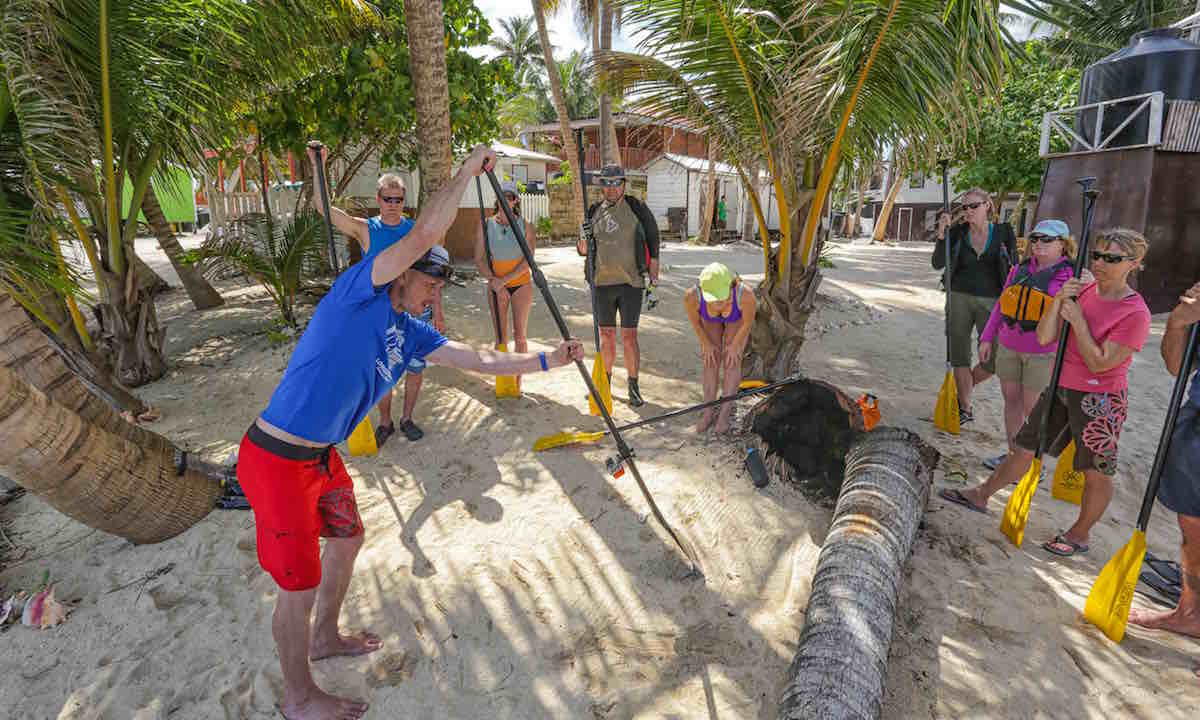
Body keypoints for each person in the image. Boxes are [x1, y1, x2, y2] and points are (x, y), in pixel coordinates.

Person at [237, 143, 584, 720]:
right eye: (429, 283)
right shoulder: (358, 293)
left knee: (347, 539)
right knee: (295, 585)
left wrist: (550, 360)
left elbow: (481, 360)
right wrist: (468, 172)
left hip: (320, 460)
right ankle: (298, 696)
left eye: (440, 287)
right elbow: (421, 234)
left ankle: (325, 638)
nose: (434, 294)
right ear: (403, 273)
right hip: (277, 458)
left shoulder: (412, 331)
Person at [940, 228, 1151, 558]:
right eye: (1097, 255)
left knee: (1095, 471)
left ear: (1135, 263)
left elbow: (1100, 363)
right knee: (1024, 447)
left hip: (1100, 398)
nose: (1100, 263)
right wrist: (1057, 303)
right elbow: (1043, 337)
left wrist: (1079, 320)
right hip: (1060, 387)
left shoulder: (1135, 313)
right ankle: (981, 495)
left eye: (1112, 259)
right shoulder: (1084, 290)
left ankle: (1080, 534)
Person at [307, 159, 443, 445]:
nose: (393, 203)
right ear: (378, 199)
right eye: (387, 198)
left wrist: (438, 311)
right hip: (378, 313)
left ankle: (407, 418)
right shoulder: (366, 229)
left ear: (404, 201)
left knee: (415, 366)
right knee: (383, 369)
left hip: (415, 310)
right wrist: (316, 163)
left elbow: (432, 277)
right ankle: (386, 421)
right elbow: (323, 208)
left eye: (399, 199)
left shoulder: (416, 233)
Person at [1129, 280, 1200, 648]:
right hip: (1196, 424)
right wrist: (1177, 321)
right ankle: (1190, 612)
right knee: (1192, 523)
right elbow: (1176, 366)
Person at [977, 219, 1077, 470]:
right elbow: (1002, 304)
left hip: (1043, 353)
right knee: (1011, 400)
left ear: (1063, 245)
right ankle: (1013, 455)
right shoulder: (1018, 270)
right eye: (1035, 239)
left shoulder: (1071, 277)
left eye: (1047, 240)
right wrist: (987, 337)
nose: (1039, 244)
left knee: (1034, 410)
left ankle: (1033, 463)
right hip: (1010, 345)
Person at [931, 188, 1017, 424]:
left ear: (987, 206)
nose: (968, 211)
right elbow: (937, 264)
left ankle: (962, 390)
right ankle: (965, 408)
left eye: (973, 206)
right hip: (958, 296)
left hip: (993, 301)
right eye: (965, 207)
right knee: (959, 354)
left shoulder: (1003, 232)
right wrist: (941, 234)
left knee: (994, 360)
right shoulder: (956, 232)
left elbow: (1014, 268)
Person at [576, 164, 660, 407]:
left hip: (630, 284)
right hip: (602, 284)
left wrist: (654, 284)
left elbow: (653, 247)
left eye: (615, 183)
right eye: (606, 183)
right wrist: (583, 235)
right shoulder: (593, 211)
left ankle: (633, 386)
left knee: (629, 337)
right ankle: (605, 383)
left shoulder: (637, 208)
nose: (610, 189)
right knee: (606, 336)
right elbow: (583, 251)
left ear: (623, 184)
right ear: (601, 186)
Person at [684, 262, 757, 433]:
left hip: (737, 320)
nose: (719, 303)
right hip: (709, 321)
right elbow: (695, 322)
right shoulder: (691, 296)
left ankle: (724, 415)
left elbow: (747, 322)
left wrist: (735, 345)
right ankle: (708, 412)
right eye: (714, 299)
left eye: (723, 298)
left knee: (732, 361)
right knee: (710, 360)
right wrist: (706, 343)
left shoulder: (745, 295)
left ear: (731, 288)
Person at [474, 181, 535, 383]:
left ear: (516, 200)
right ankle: (503, 379)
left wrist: (505, 280)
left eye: (509, 197)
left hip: (521, 284)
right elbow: (480, 259)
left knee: (520, 336)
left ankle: (517, 380)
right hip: (496, 284)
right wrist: (494, 281)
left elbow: (528, 260)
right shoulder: (485, 225)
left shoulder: (526, 226)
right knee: (500, 336)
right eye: (501, 196)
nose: (504, 200)